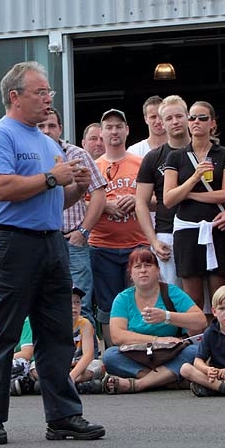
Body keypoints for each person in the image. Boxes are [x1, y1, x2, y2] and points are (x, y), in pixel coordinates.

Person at [0, 60, 104, 445]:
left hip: (51, 241)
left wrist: (76, 187)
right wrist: (51, 177)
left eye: (49, 93)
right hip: (12, 242)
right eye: (41, 92)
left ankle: (63, 416)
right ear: (15, 97)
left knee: (57, 333)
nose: (48, 99)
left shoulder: (47, 143)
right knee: (4, 332)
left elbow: (54, 201)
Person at [100, 246, 207, 394]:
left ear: (157, 271)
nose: (143, 270)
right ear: (131, 274)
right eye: (137, 267)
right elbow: (117, 336)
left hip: (171, 352)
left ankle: (139, 384)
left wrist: (167, 316)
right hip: (138, 353)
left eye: (148, 265)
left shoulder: (172, 292)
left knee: (194, 351)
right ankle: (166, 380)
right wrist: (156, 340)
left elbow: (201, 321)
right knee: (110, 356)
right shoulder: (123, 298)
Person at [162, 101, 225, 307]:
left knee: (220, 296)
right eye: (192, 117)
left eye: (202, 118)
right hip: (188, 231)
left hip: (217, 229)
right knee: (192, 298)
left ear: (212, 123)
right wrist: (194, 179)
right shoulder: (176, 156)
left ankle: (220, 337)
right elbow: (169, 199)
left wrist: (191, 195)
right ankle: (196, 338)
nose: (196, 122)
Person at [37, 108, 105, 322]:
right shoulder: (30, 157)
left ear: (61, 129)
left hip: (73, 241)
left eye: (51, 126)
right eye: (41, 126)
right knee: (43, 302)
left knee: (80, 305)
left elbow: (99, 193)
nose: (46, 131)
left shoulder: (77, 155)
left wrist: (84, 231)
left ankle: (89, 355)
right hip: (40, 241)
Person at [90, 108, 147, 345]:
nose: (114, 131)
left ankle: (139, 349)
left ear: (127, 130)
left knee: (139, 301)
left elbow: (158, 200)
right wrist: (105, 205)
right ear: (101, 133)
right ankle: (113, 353)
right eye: (109, 127)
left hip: (137, 243)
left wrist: (137, 200)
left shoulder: (141, 163)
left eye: (118, 126)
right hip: (102, 245)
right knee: (107, 304)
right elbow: (81, 204)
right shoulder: (93, 166)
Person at [135, 95, 190, 288]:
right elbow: (140, 202)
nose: (175, 121)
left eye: (179, 116)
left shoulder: (207, 151)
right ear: (162, 123)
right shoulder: (152, 158)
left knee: (209, 301)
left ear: (188, 117)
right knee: (172, 297)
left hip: (204, 229)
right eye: (168, 118)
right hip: (167, 233)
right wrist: (154, 241)